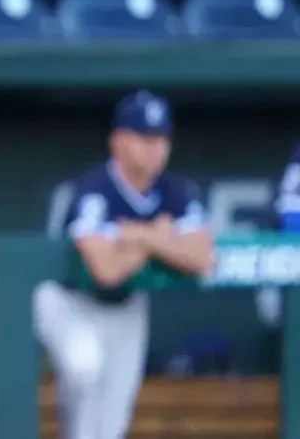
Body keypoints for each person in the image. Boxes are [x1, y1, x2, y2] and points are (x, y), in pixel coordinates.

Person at [34, 91, 214, 439]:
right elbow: (105, 269)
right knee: (84, 369)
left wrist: (138, 237)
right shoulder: (94, 188)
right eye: (144, 138)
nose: (155, 148)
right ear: (118, 141)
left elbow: (203, 258)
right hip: (71, 303)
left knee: (112, 425)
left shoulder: (173, 190)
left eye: (161, 138)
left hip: (127, 306)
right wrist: (162, 239)